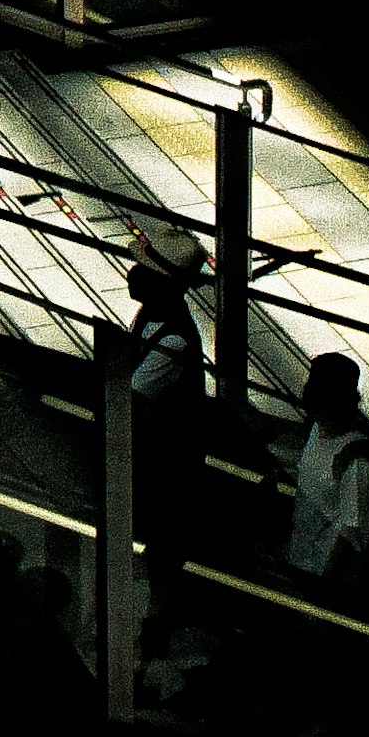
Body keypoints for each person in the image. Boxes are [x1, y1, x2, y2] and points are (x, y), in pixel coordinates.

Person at [120, 218, 213, 616]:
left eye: (145, 270)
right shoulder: (153, 318)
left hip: (164, 468)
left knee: (162, 547)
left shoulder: (173, 339)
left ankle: (158, 619)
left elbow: (133, 405)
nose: (133, 274)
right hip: (157, 462)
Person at [279, 352, 369, 601]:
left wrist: (322, 591)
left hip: (321, 576)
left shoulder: (356, 462)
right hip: (300, 555)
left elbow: (350, 535)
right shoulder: (317, 428)